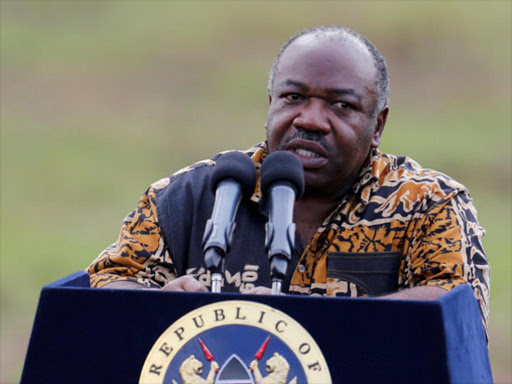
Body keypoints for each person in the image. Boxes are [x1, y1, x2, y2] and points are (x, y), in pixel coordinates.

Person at [87, 25, 489, 331]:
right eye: (293, 98)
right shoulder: (191, 196)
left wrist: (304, 317)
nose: (311, 119)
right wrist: (156, 307)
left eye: (341, 105)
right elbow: (106, 285)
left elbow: (456, 311)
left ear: (377, 124)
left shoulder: (427, 203)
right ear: (270, 104)